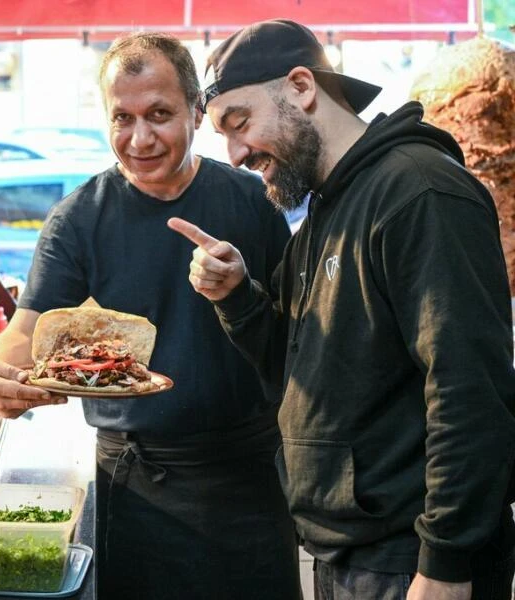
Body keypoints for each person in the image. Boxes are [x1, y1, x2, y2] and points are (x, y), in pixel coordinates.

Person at [168, 18, 515, 600]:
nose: (235, 153)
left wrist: (446, 564)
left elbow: (470, 392)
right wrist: (237, 296)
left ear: (302, 86)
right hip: (350, 554)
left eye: (240, 123)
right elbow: (296, 367)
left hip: (412, 563)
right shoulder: (325, 212)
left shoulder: (420, 193)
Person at [0, 32, 302, 600]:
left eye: (159, 114)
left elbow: (297, 339)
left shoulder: (254, 201)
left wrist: (239, 291)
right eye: (122, 118)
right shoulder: (79, 219)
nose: (140, 138)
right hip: (135, 483)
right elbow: (26, 332)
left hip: (247, 478)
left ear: (198, 113)